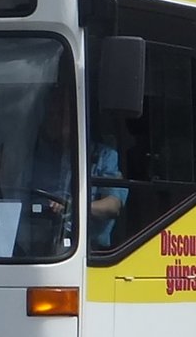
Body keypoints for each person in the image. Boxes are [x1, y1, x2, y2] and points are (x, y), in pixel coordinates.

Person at [32, 88, 126, 249]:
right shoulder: (34, 156)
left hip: (89, 249)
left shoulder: (104, 156)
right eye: (50, 113)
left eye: (60, 114)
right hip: (36, 244)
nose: (54, 119)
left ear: (77, 117)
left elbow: (112, 205)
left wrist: (72, 206)